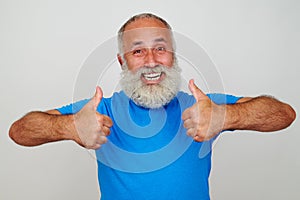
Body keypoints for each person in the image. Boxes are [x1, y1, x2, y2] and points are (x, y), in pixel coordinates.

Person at [9, 13, 296, 200]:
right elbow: (20, 132)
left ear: (173, 57)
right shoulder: (101, 111)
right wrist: (68, 126)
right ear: (122, 62)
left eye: (160, 48)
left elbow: (284, 115)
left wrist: (226, 115)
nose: (150, 60)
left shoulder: (203, 106)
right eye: (137, 51)